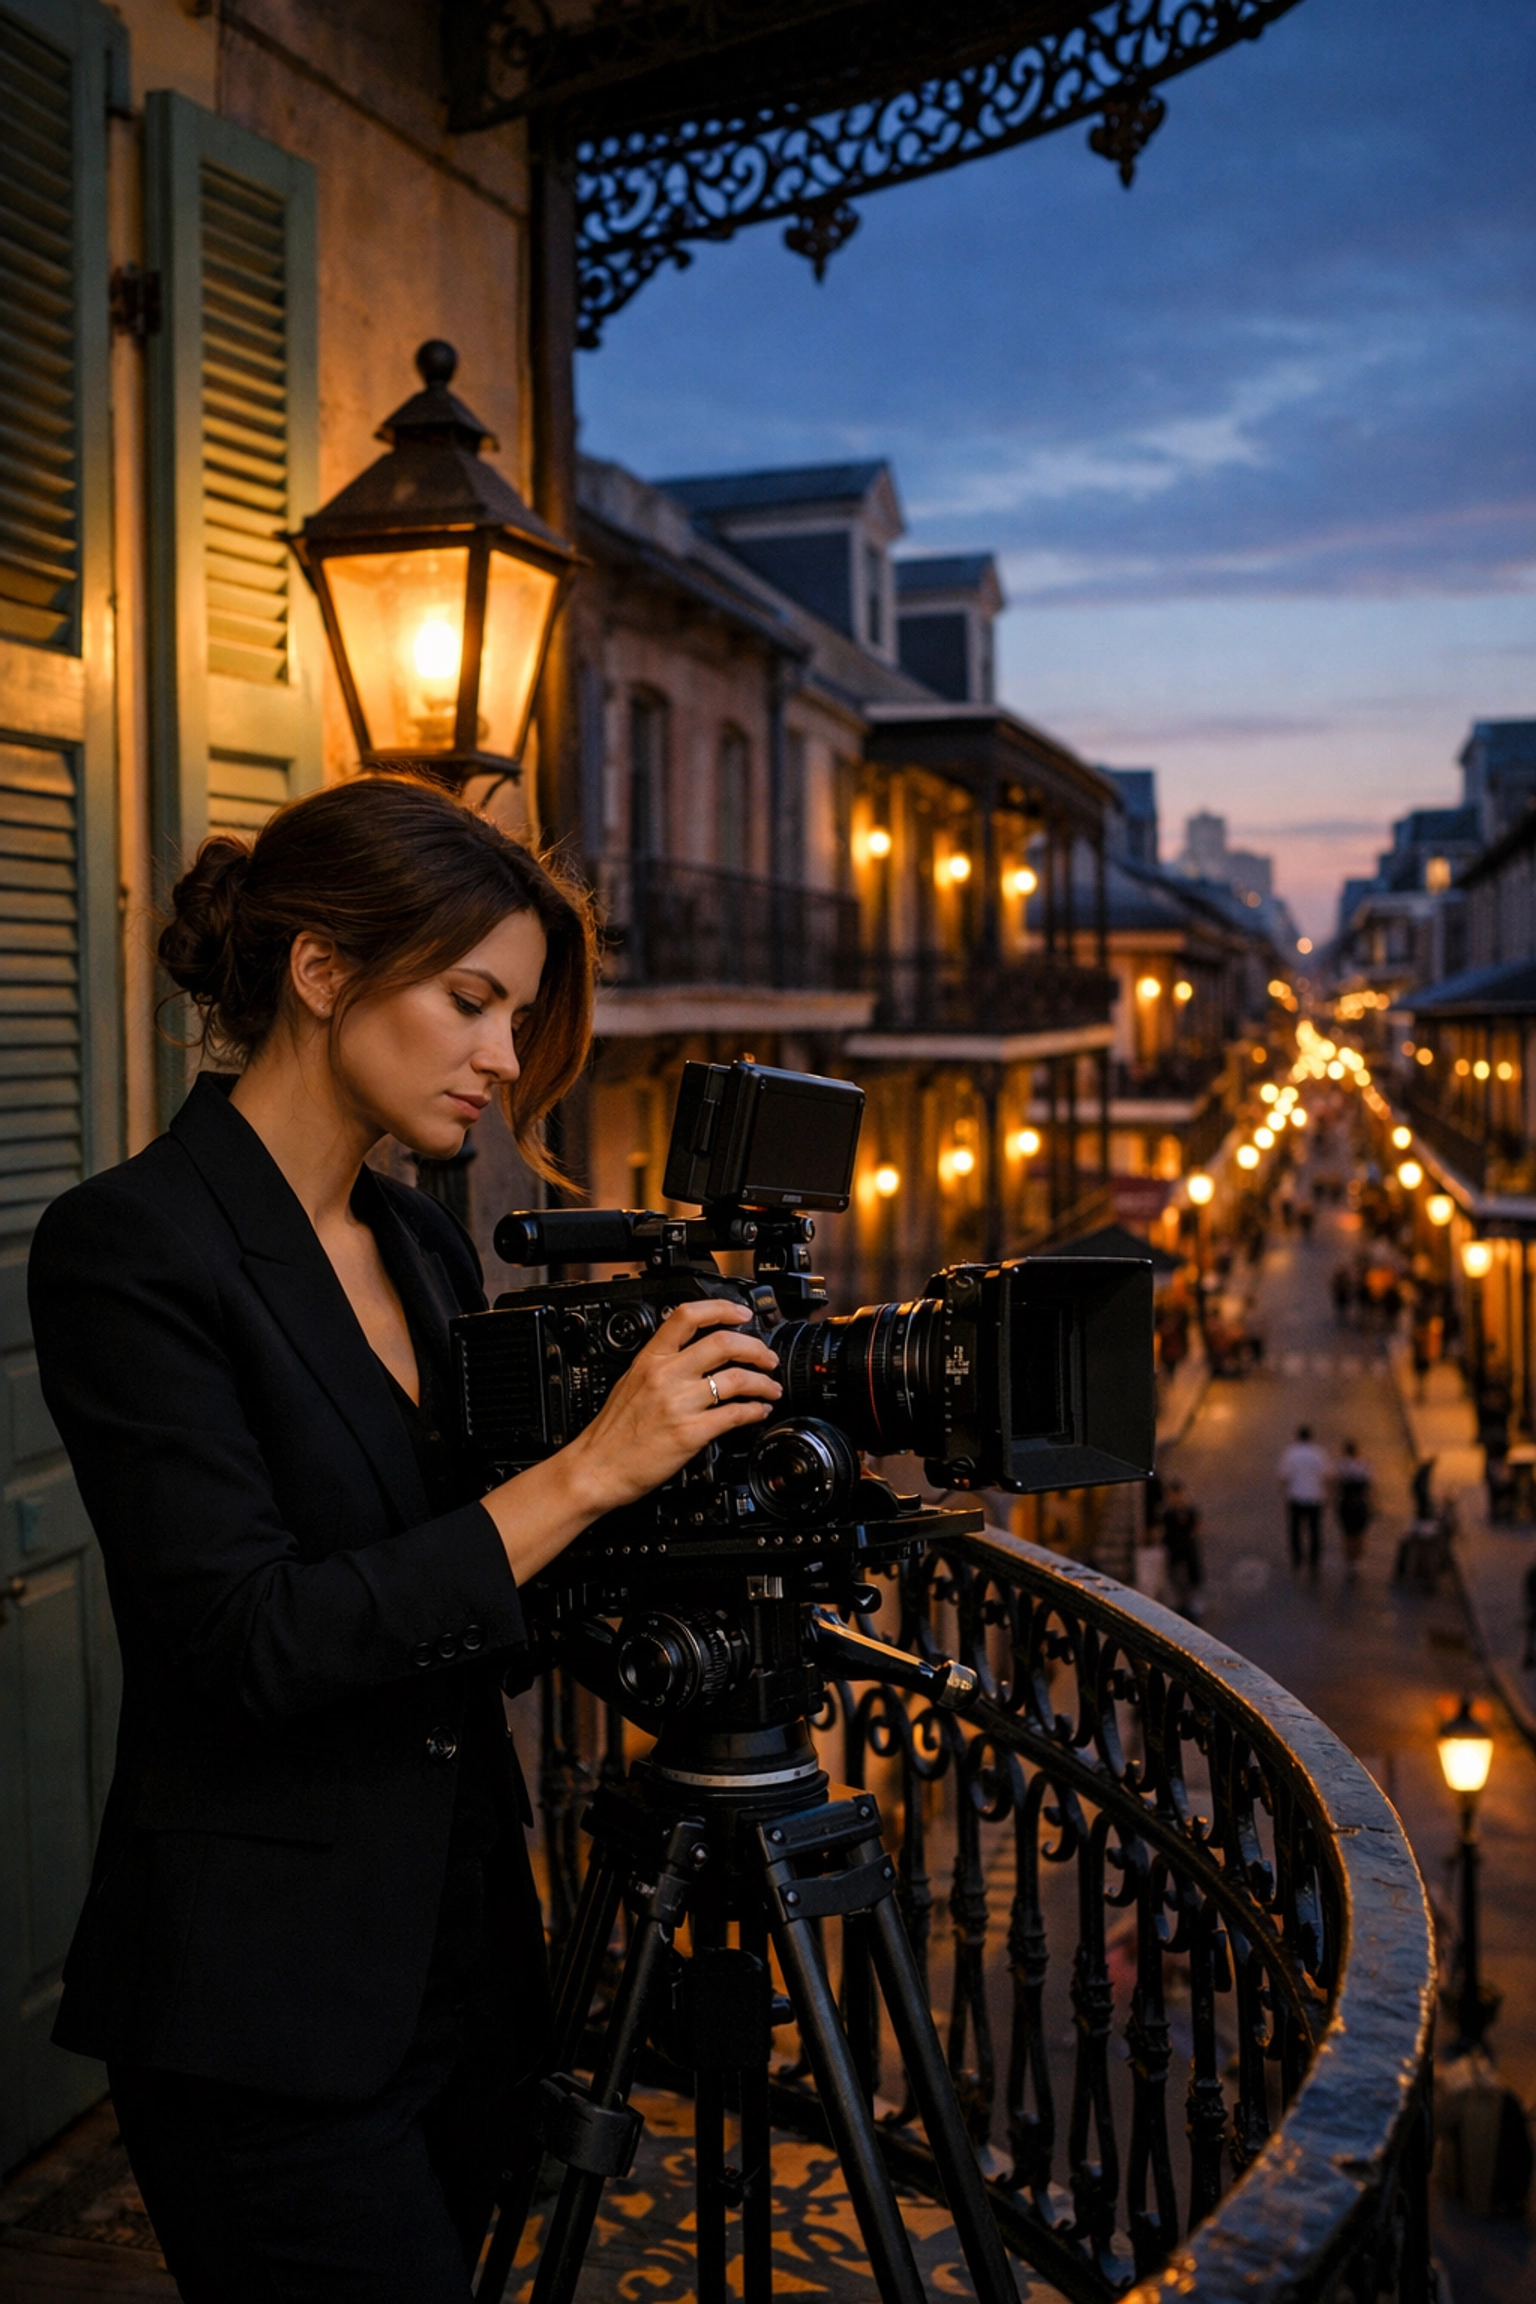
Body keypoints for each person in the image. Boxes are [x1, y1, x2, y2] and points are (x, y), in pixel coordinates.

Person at [26, 778, 787, 2304]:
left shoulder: (420, 1241)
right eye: (471, 1001)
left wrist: (688, 1489)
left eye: (513, 1015)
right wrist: (587, 1470)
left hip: (462, 1961)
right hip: (262, 2003)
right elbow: (250, 1639)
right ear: (320, 973)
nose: (504, 1061)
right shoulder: (132, 1246)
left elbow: (477, 1567)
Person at [1278, 1423, 1329, 1575]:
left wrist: (1284, 1495)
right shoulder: (1319, 1453)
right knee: (1315, 1531)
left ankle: (1297, 1559)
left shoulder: (1291, 1453)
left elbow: (1284, 1477)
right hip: (1315, 1497)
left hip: (1296, 1497)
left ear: (1297, 1437)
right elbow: (1327, 1474)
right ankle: (1314, 1561)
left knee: (1295, 1531)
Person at [1160, 1479, 1204, 1621]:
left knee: (1189, 1579)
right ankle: (1182, 1607)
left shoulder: (1188, 1511)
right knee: (1177, 1579)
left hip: (1187, 1551)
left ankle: (1189, 1607)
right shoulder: (1168, 1514)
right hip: (1175, 1552)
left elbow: (1197, 1528)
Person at [1332, 1439, 1374, 1581]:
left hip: (1345, 1503)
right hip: (1361, 1503)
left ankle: (1349, 1560)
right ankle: (1357, 1559)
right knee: (1360, 1533)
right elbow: (1370, 1487)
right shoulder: (1364, 1466)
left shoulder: (1340, 1466)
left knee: (1347, 1532)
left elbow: (1336, 1485)